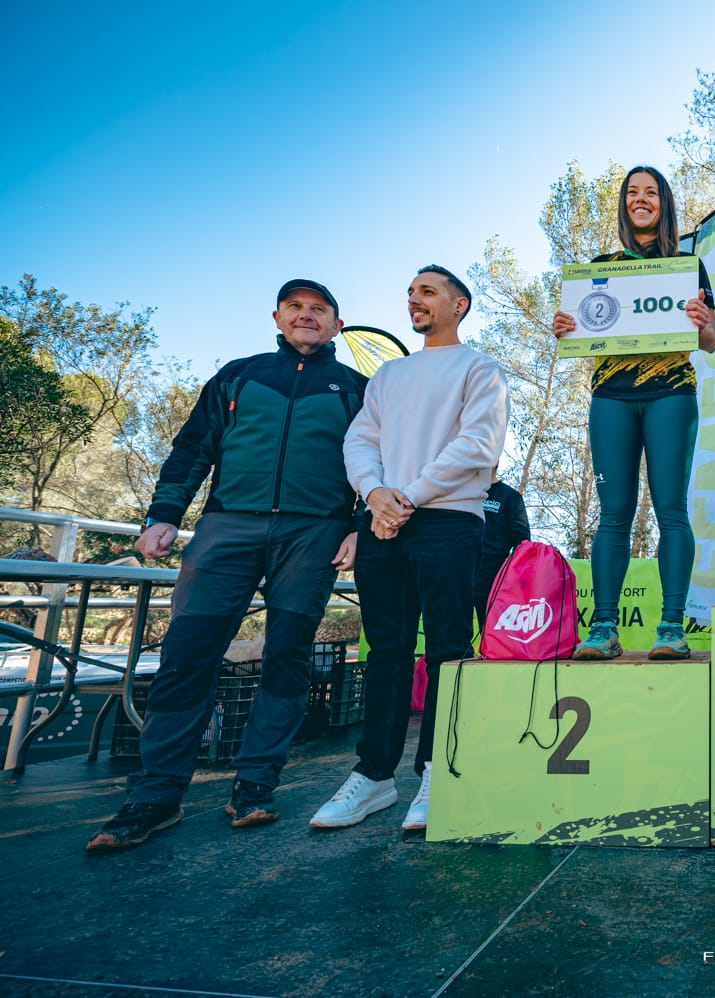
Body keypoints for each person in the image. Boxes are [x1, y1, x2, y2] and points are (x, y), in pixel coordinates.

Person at [86, 279, 364, 852]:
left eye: (319, 310)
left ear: (338, 324)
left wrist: (358, 528)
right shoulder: (240, 374)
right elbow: (192, 448)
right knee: (187, 655)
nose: (306, 316)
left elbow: (376, 463)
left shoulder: (356, 389)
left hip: (313, 534)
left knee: (287, 656)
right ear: (277, 317)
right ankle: (156, 796)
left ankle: (255, 786)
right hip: (226, 527)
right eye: (295, 308)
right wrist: (163, 515)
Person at [313, 265, 506, 834]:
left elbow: (479, 443)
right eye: (410, 293)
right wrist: (375, 495)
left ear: (459, 305)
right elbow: (360, 439)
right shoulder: (389, 375)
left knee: (448, 648)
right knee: (386, 653)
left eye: (427, 292)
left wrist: (409, 498)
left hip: (448, 521)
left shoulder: (481, 367)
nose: (414, 301)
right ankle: (373, 777)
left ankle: (438, 771)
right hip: (384, 525)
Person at [552, 165, 715, 659]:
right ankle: (603, 627)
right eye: (632, 193)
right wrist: (566, 326)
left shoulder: (688, 265)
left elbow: (710, 341)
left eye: (651, 193)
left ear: (664, 204)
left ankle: (671, 626)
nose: (640, 199)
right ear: (624, 204)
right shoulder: (601, 266)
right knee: (613, 516)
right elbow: (581, 333)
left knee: (671, 510)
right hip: (610, 398)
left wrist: (704, 323)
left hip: (671, 394)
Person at [473, 477, 532, 629]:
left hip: (493, 575)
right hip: (459, 572)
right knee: (452, 635)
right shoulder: (461, 493)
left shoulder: (510, 496)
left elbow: (522, 541)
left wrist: (511, 576)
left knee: (491, 632)